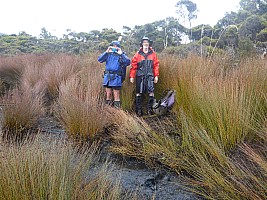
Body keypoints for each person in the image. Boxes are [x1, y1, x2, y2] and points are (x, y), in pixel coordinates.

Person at [129, 36, 159, 116]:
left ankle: (149, 110)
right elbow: (134, 66)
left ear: (149, 44)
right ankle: (139, 110)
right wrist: (132, 76)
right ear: (142, 44)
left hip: (150, 76)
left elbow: (156, 65)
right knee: (139, 93)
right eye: (144, 42)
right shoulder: (137, 54)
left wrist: (156, 76)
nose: (145, 44)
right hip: (140, 76)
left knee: (151, 92)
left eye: (147, 42)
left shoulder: (153, 54)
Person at [98, 40, 130, 108]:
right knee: (108, 94)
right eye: (113, 46)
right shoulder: (108, 54)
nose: (115, 47)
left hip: (116, 77)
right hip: (107, 76)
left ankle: (116, 110)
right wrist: (106, 51)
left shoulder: (121, 55)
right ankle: (108, 109)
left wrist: (121, 53)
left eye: (116, 46)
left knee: (116, 94)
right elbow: (100, 59)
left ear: (119, 47)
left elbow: (127, 62)